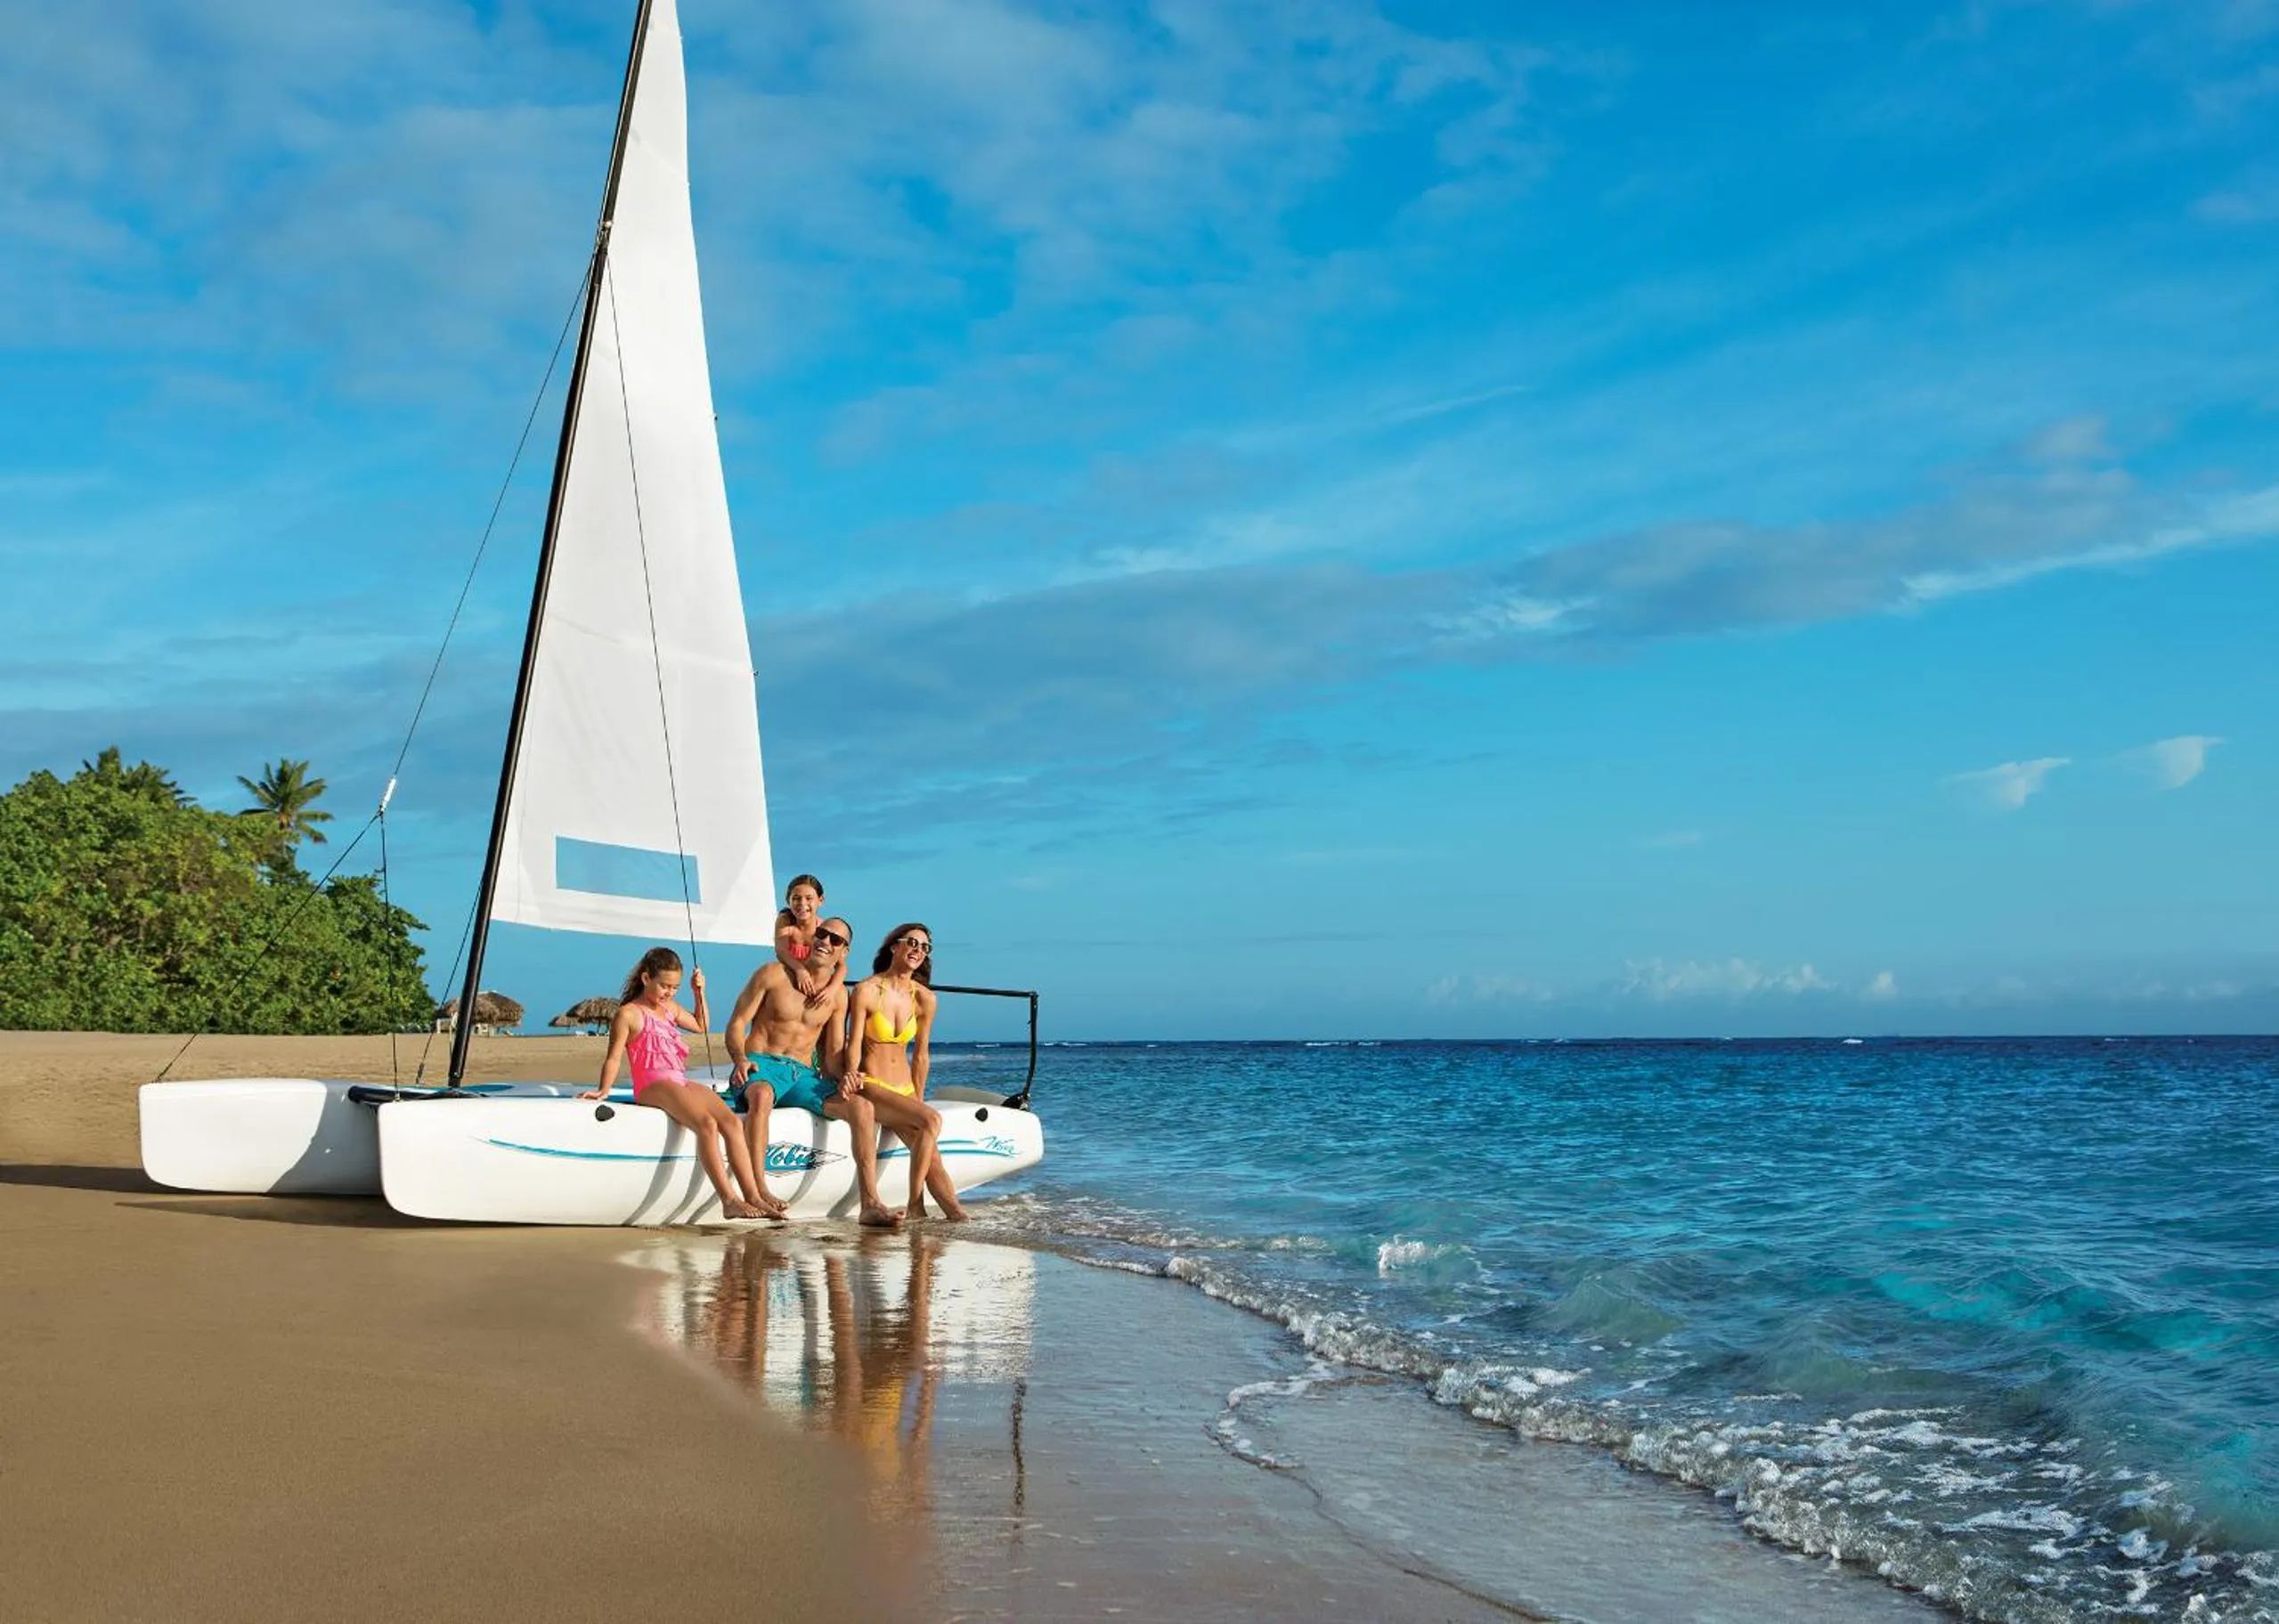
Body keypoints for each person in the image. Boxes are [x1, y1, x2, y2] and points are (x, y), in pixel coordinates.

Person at [723, 916, 916, 1229]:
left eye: (835, 940)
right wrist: (740, 1058)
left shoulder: (838, 996)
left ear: (844, 952)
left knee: (862, 1107)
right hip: (763, 1063)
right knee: (761, 1096)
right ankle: (758, 1190)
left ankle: (869, 1203)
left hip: (802, 1074)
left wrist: (847, 1077)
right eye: (822, 934)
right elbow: (735, 1023)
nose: (826, 942)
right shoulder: (772, 974)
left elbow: (834, 1052)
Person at [584, 946, 773, 1221]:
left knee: (732, 1122)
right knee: (706, 1124)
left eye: (674, 987)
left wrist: (699, 993)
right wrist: (603, 1090)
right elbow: (614, 1057)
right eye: (664, 986)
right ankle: (729, 1200)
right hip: (652, 1085)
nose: (669, 993)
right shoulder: (629, 1014)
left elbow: (701, 1024)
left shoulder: (669, 1008)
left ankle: (753, 1195)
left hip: (678, 1080)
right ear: (646, 978)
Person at [845, 923, 967, 1222]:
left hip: (905, 1090)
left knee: (933, 1157)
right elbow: (854, 1042)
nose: (918, 950)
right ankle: (916, 1206)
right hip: (872, 1083)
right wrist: (850, 1073)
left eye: (924, 947)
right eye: (912, 943)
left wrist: (917, 1101)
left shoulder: (924, 998)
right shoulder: (867, 990)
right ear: (893, 946)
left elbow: (922, 1055)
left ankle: (957, 1215)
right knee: (932, 1120)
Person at [774, 873, 842, 1011]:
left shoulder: (823, 929)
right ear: (788, 900)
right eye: (796, 899)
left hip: (816, 988)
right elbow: (781, 950)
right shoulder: (785, 920)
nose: (802, 904)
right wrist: (800, 970)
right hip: (791, 983)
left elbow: (842, 966)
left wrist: (832, 989)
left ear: (820, 900)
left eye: (809, 898)